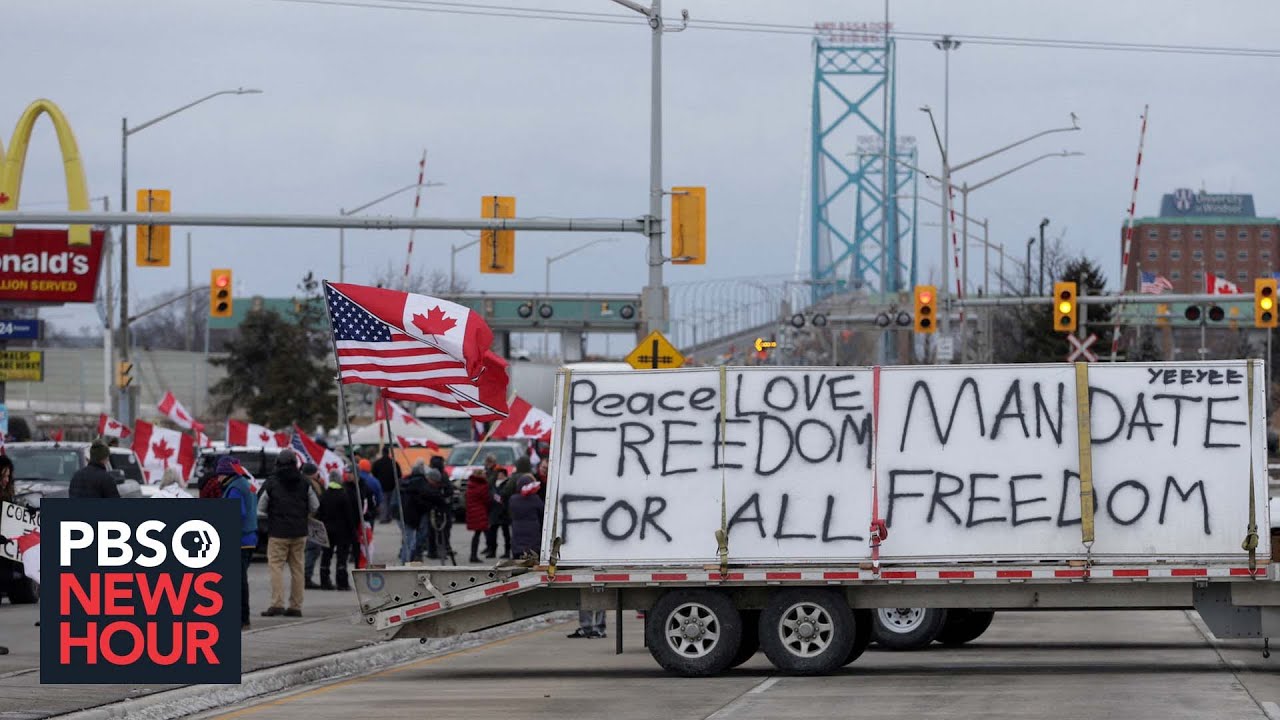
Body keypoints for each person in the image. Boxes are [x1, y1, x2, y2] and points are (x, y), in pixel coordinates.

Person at [257, 448, 318, 618]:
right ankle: (296, 606)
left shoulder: (271, 483)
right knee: (297, 569)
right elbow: (315, 506)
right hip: (299, 532)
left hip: (277, 532)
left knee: (276, 567)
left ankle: (277, 604)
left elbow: (260, 509)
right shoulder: (305, 482)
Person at [212, 455, 258, 630]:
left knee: (237, 582)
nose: (218, 478)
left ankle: (241, 618)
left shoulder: (235, 488)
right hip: (249, 538)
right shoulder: (246, 483)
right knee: (241, 580)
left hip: (240, 539)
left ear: (226, 473)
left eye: (220, 475)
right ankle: (243, 618)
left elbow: (237, 514)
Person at [317, 470, 358, 590]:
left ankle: (324, 581)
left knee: (326, 555)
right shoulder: (343, 495)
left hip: (327, 531)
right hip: (342, 532)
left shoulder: (324, 495)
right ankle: (342, 583)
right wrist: (353, 532)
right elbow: (349, 516)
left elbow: (320, 514)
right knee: (342, 557)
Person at [299, 464, 326, 589]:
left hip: (300, 520)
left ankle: (303, 577)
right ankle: (306, 577)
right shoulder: (312, 484)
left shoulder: (299, 482)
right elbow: (316, 504)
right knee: (313, 549)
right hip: (311, 521)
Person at [398, 460, 430, 563]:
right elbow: (422, 502)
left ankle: (406, 560)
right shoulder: (421, 484)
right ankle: (406, 561)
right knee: (410, 541)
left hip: (404, 514)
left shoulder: (406, 482)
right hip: (412, 517)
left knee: (409, 540)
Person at [419, 465, 454, 561]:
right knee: (430, 533)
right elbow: (435, 497)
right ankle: (432, 551)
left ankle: (434, 551)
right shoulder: (427, 487)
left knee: (434, 533)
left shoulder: (437, 485)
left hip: (435, 512)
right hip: (428, 513)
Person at [508, 473, 544, 560]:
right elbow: (542, 514)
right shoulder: (536, 499)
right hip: (533, 535)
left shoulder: (513, 499)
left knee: (517, 561)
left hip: (517, 534)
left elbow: (510, 513)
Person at [486, 468, 513, 558]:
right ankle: (492, 551)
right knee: (492, 532)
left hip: (504, 511)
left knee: (506, 534)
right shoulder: (493, 484)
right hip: (494, 511)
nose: (499, 476)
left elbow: (506, 495)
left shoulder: (507, 484)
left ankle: (507, 552)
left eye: (501, 474)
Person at [464, 470, 490, 563]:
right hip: (480, 512)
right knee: (479, 534)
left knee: (477, 533)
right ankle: (473, 555)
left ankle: (473, 555)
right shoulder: (483, 486)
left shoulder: (470, 485)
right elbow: (486, 499)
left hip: (472, 511)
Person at [371, 446, 399, 524]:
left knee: (383, 502)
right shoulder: (394, 463)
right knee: (390, 502)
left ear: (382, 453)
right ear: (388, 453)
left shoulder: (377, 463)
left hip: (381, 485)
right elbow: (399, 474)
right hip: (392, 486)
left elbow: (373, 473)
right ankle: (389, 517)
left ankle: (383, 517)